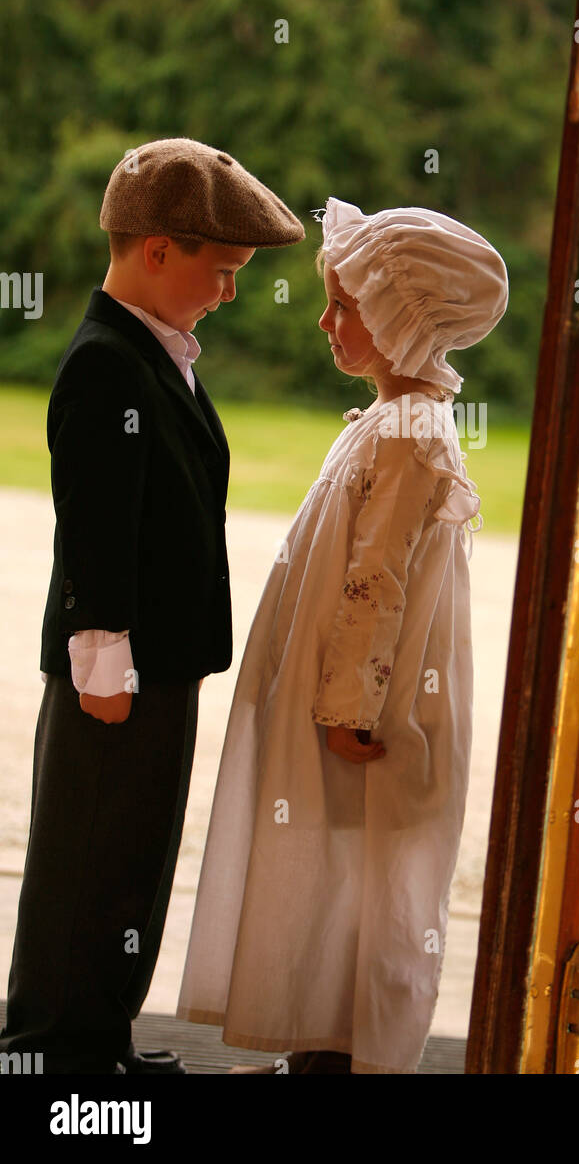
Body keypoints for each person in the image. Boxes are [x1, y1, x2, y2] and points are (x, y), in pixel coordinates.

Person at [176, 197, 508, 1074]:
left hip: (364, 701)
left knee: (354, 861)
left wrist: (345, 704)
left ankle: (339, 1042)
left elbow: (379, 583)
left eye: (345, 306)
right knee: (326, 857)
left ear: (404, 320)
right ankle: (314, 1027)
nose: (325, 321)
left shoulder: (409, 435)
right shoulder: (389, 421)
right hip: (339, 689)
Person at [0, 138, 304, 1074]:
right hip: (116, 667)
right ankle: (48, 1050)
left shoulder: (157, 352)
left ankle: (97, 1040)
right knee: (82, 862)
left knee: (129, 864)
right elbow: (96, 528)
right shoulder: (106, 363)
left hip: (158, 663)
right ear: (157, 251)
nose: (231, 291)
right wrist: (103, 663)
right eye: (222, 270)